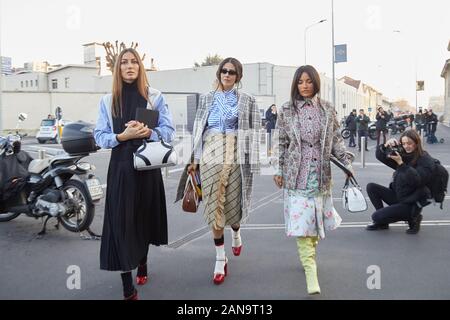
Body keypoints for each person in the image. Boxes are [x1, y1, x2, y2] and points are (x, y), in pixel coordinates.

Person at [94, 48, 175, 300]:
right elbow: (99, 136)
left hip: (147, 167)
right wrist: (121, 136)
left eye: (134, 62)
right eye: (124, 62)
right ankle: (128, 288)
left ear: (140, 67)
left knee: (144, 218)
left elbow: (169, 131)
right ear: (117, 68)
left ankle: (143, 261)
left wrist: (147, 132)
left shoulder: (155, 97)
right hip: (120, 169)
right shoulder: (108, 100)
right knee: (121, 224)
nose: (129, 66)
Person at [175, 57, 260, 285]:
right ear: (219, 73)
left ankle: (236, 232)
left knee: (233, 205)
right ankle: (220, 259)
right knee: (214, 205)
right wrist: (193, 157)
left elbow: (255, 130)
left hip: (235, 153)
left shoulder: (248, 100)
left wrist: (254, 163)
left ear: (238, 76)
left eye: (232, 72)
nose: (227, 74)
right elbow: (198, 128)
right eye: (224, 70)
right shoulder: (206, 98)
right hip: (211, 151)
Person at [272, 65, 354, 295]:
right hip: (295, 173)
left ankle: (309, 255)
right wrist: (278, 169)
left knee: (315, 226)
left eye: (308, 81)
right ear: (295, 84)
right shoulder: (287, 110)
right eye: (300, 81)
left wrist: (347, 164)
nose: (304, 86)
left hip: (320, 174)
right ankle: (310, 271)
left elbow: (336, 140)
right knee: (302, 226)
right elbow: (280, 142)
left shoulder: (327, 109)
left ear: (315, 83)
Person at [366, 130, 434, 234]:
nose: (406, 146)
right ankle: (383, 223)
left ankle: (414, 217)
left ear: (417, 143)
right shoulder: (405, 155)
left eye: (410, 143)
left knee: (376, 216)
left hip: (411, 202)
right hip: (400, 196)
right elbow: (381, 157)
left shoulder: (425, 160)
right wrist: (385, 145)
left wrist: (401, 164)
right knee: (371, 187)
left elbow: (417, 181)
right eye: (404, 143)